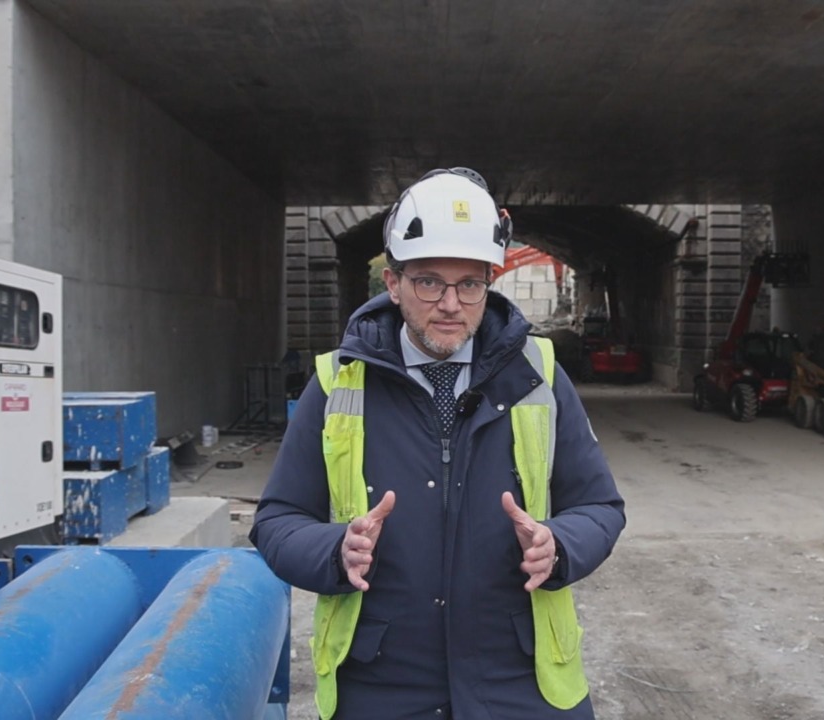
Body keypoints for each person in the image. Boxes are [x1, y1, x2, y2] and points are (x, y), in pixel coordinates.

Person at [250, 167, 625, 720]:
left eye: (470, 283)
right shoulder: (338, 383)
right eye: (428, 281)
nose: (451, 303)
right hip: (382, 684)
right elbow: (277, 520)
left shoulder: (538, 374)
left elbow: (600, 506)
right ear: (393, 284)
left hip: (520, 683)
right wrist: (333, 550)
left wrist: (560, 545)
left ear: (487, 284)